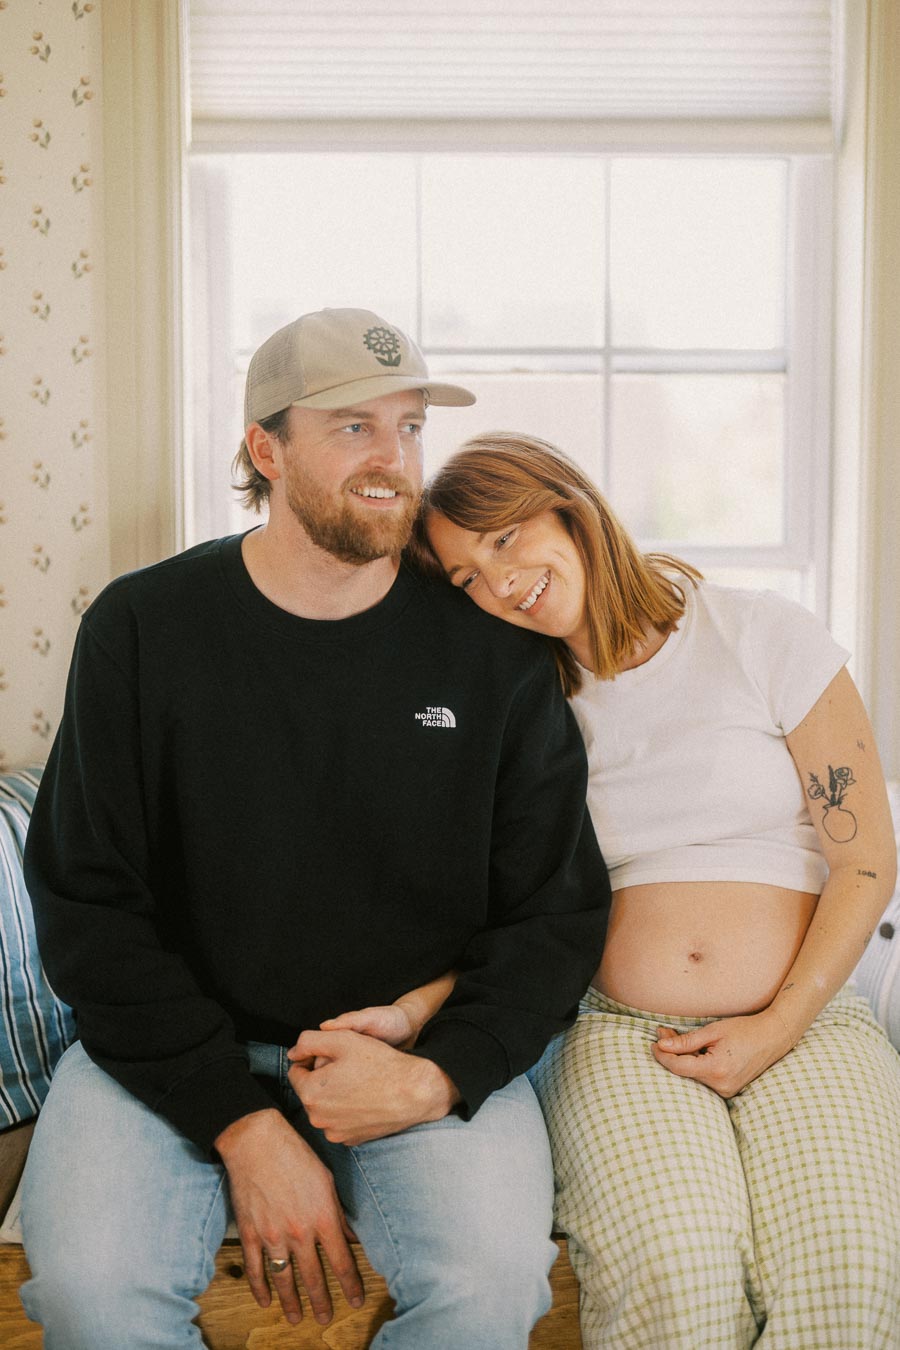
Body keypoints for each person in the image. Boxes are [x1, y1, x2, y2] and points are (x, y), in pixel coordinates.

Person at [19, 313, 611, 1350]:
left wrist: (437, 1071)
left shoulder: (495, 657)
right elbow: (88, 904)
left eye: (411, 427)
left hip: (414, 1050)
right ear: (265, 447)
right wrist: (242, 1125)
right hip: (163, 1049)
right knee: (89, 1295)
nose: (394, 461)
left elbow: (554, 916)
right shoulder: (142, 629)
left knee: (489, 1284)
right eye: (351, 428)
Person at [409, 429, 900, 1349]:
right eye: (466, 575)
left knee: (851, 1265)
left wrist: (777, 1023)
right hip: (620, 1033)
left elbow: (868, 855)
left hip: (810, 1020)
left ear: (569, 502)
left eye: (505, 538)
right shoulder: (524, 702)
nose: (499, 579)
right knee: (676, 1267)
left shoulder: (758, 632)